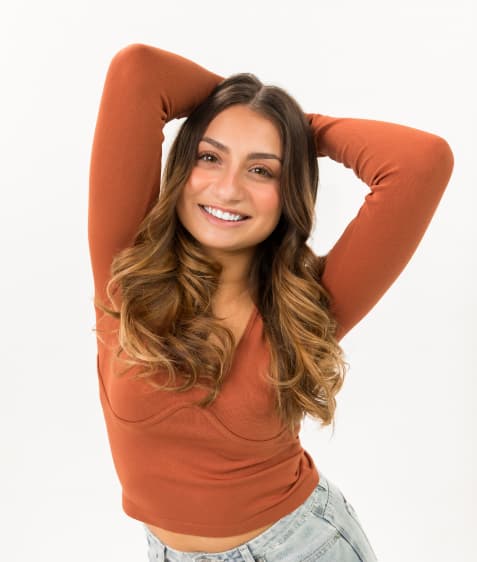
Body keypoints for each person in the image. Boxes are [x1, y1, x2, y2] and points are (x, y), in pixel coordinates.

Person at [88, 43, 454, 562]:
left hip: (303, 548)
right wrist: (251, 115)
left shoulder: (306, 306)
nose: (228, 188)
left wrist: (296, 129)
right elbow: (139, 71)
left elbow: (421, 161)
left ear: (290, 191)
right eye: (210, 157)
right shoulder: (126, 268)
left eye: (262, 170)